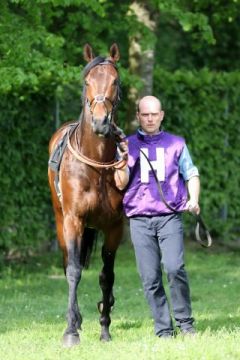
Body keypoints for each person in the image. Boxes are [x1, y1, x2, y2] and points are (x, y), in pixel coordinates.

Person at [122, 95, 200, 338]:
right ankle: (164, 329)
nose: (150, 118)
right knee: (150, 277)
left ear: (162, 115)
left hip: (169, 217)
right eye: (145, 114)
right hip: (139, 219)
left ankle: (186, 324)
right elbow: (120, 182)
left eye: (154, 114)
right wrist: (121, 159)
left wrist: (194, 199)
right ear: (138, 117)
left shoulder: (177, 144)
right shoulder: (126, 145)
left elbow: (192, 174)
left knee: (175, 268)